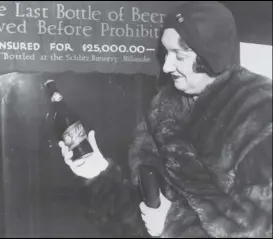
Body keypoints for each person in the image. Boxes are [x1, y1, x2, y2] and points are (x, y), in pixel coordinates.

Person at [59, 1, 272, 238]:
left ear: (211, 56)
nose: (167, 65)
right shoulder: (162, 109)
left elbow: (260, 229)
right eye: (166, 52)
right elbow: (140, 217)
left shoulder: (261, 115)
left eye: (179, 56)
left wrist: (174, 225)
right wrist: (97, 173)